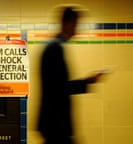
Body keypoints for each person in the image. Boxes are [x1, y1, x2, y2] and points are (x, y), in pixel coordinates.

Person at [37, 6, 103, 144]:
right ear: (67, 23)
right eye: (75, 25)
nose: (76, 31)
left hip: (52, 123)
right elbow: (60, 88)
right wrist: (89, 81)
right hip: (56, 123)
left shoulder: (53, 46)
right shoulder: (55, 48)